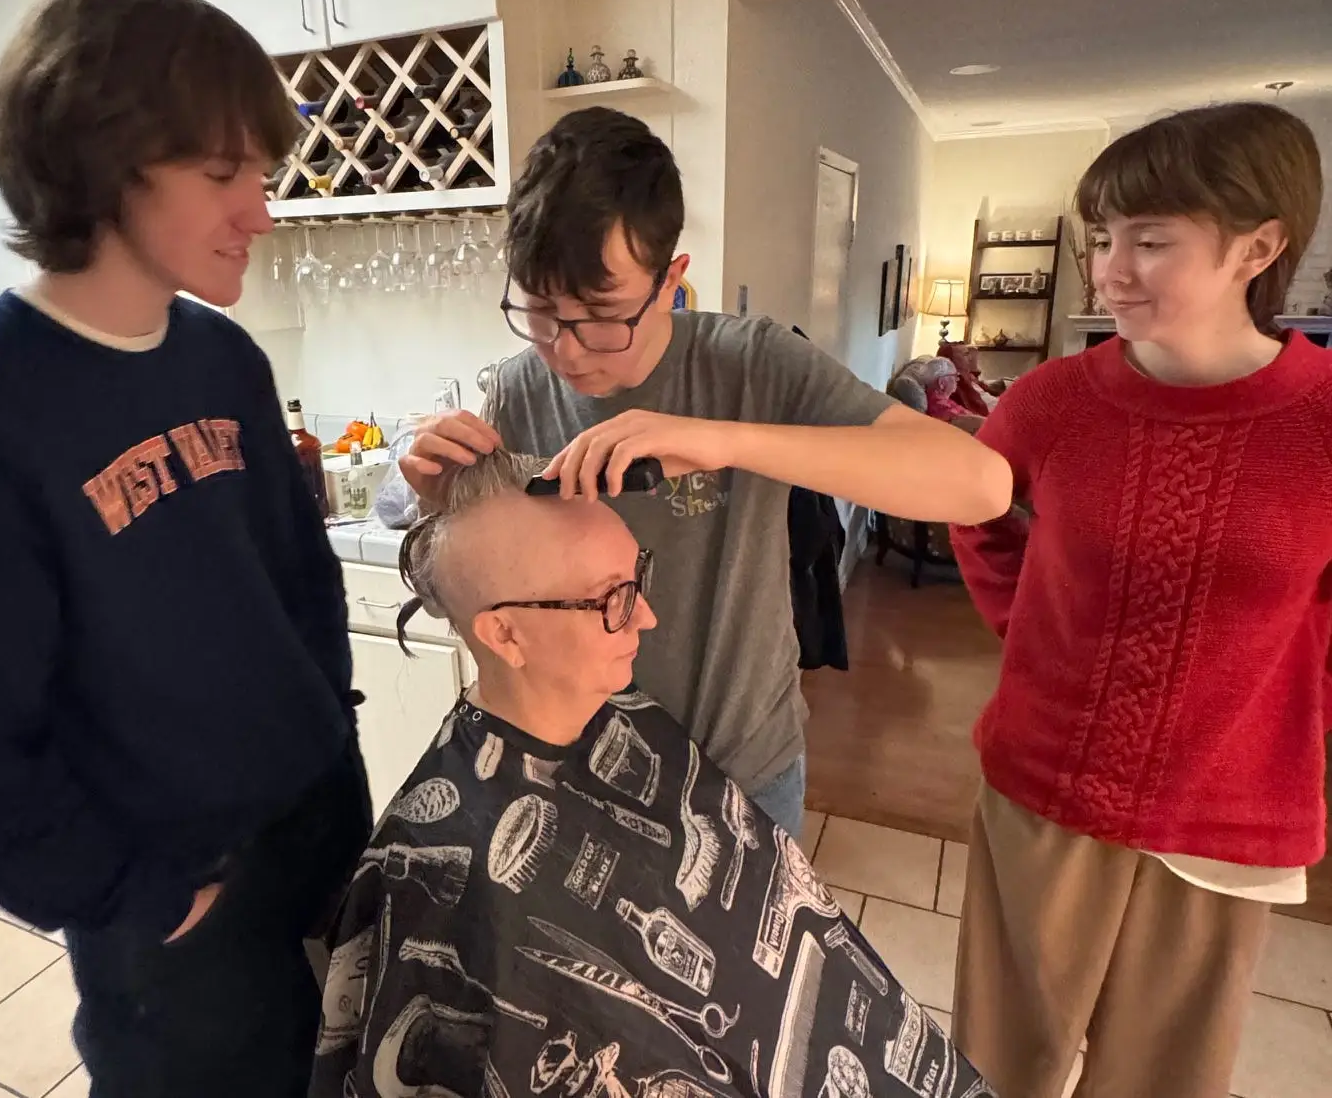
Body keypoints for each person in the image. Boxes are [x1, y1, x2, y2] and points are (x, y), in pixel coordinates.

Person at [0, 0, 369, 1097]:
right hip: (175, 904)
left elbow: (299, 580)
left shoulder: (225, 361)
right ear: (100, 154)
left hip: (320, 832)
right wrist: (137, 897)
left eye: (261, 174)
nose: (262, 211)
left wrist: (333, 737)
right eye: (224, 173)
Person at [398, 107, 1013, 839]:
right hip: (581, 767)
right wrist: (441, 510)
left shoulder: (750, 364)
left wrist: (726, 441)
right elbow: (486, 593)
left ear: (671, 280)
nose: (566, 350)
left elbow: (981, 485)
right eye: (537, 312)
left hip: (741, 771)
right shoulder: (515, 389)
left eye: (601, 314)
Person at [307, 450, 993, 1098]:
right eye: (611, 599)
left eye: (639, 576)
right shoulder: (457, 866)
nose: (648, 615)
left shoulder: (633, 717)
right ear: (505, 635)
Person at [949, 101, 1330, 1098]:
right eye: (1103, 238)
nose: (1111, 270)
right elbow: (973, 511)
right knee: (999, 1065)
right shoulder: (1051, 402)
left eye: (1152, 241)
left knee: (1164, 1076)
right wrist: (1027, 627)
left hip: (1225, 805)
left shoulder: (1324, 421)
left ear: (1260, 245)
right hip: (1044, 785)